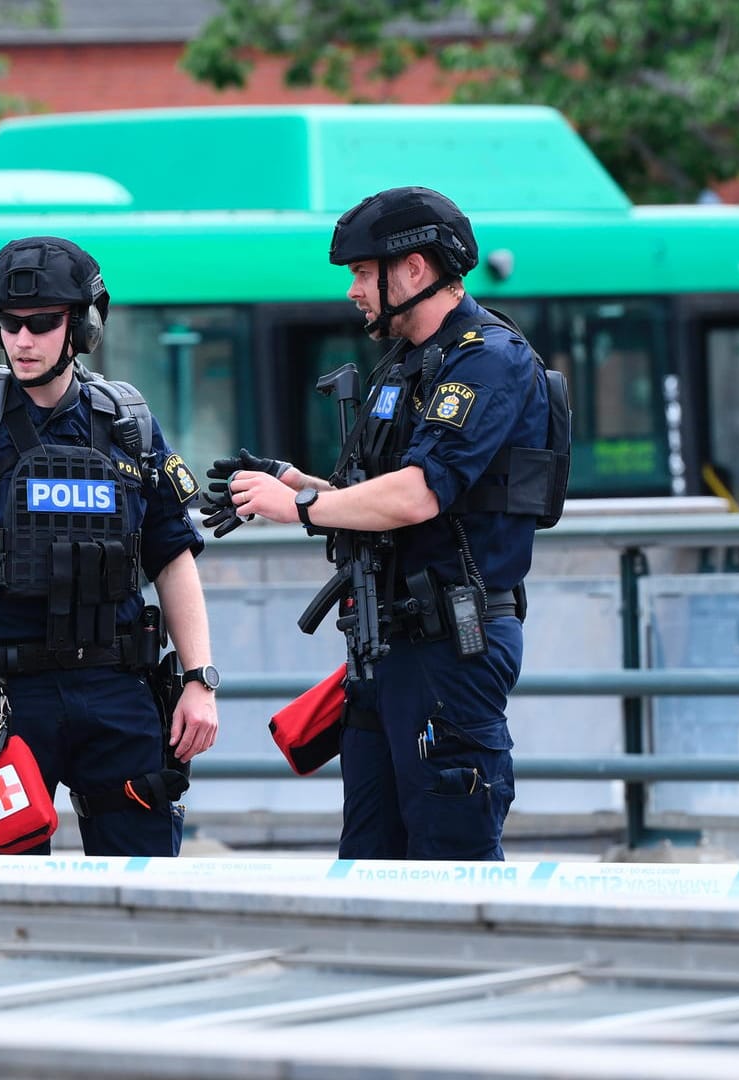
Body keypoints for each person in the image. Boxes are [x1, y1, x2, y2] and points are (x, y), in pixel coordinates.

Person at [211, 187, 552, 861]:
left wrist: (301, 508)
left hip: (451, 644)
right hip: (388, 647)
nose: (352, 290)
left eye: (363, 273)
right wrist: (298, 484)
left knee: (451, 854)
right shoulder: (407, 363)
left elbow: (421, 495)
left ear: (415, 270)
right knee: (369, 855)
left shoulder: (486, 361)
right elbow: (376, 493)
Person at [0, 236, 219, 856]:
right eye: (9, 324)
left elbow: (172, 554)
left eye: (42, 324)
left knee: (146, 876)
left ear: (83, 326)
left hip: (116, 688)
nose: (22, 340)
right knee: (1, 885)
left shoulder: (128, 424)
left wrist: (199, 678)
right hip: (0, 700)